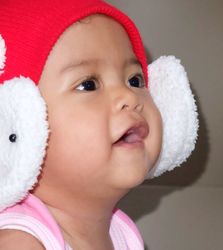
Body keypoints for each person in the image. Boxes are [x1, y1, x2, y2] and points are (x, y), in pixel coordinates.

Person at [0, 0, 198, 249]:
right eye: (88, 85)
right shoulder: (20, 242)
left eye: (135, 80)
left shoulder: (121, 234)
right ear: (16, 126)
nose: (129, 97)